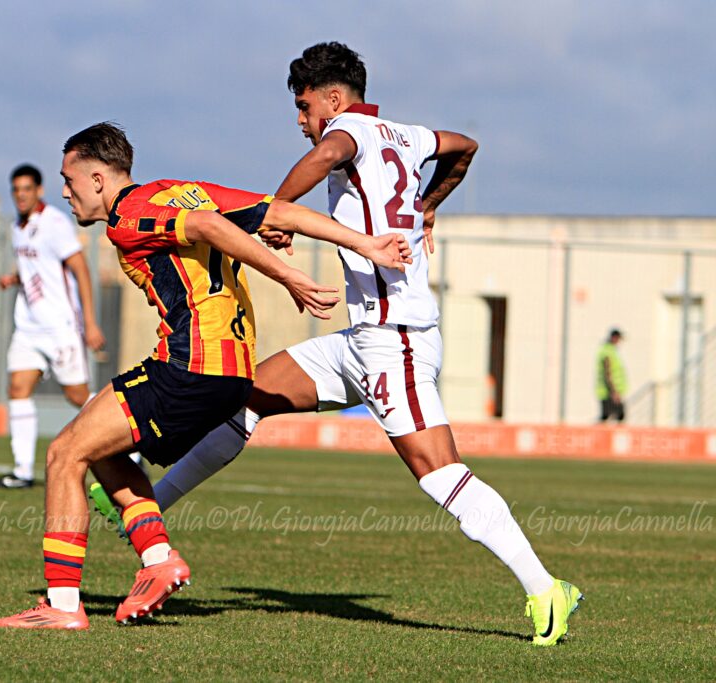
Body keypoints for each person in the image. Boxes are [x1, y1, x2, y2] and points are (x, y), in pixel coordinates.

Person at [135, 42, 582, 646]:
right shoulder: (409, 135)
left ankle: (545, 588)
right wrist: (426, 205)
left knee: (438, 472)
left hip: (395, 341)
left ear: (334, 98)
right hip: (363, 339)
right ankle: (146, 509)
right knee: (244, 394)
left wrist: (277, 210)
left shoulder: (347, 131)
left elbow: (329, 152)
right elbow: (465, 146)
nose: (301, 120)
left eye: (303, 105)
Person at [0, 121, 411, 630]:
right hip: (231, 374)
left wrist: (289, 278)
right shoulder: (177, 192)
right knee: (99, 445)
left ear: (98, 179)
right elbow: (279, 213)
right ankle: (157, 561)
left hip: (190, 367)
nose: (64, 191)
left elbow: (210, 229)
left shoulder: (129, 217)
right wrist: (366, 244)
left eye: (68, 178)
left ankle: (60, 608)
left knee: (63, 453)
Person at [0, 164, 106, 489]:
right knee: (18, 390)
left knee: (77, 395)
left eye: (26, 189)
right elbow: (37, 269)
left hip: (59, 326)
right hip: (28, 327)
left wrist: (90, 323)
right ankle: (22, 470)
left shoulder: (55, 223)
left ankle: (130, 448)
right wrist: (14, 278)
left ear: (38, 190)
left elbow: (80, 270)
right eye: (16, 190)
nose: (20, 195)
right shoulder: (17, 227)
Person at [596, 328, 627, 423]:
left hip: (611, 390)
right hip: (608, 391)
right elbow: (607, 372)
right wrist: (613, 391)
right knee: (615, 415)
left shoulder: (612, 351)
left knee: (610, 416)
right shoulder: (607, 351)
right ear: (614, 338)